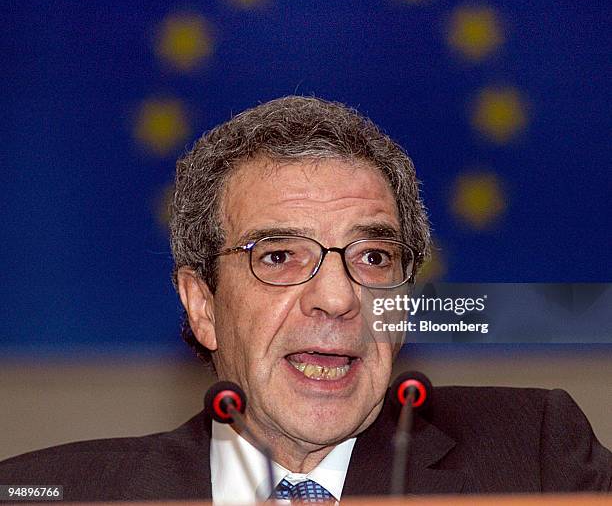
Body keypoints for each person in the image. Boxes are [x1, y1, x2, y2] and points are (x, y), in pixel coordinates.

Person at [0, 96, 610, 502]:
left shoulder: (534, 456)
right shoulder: (51, 492)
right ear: (203, 305)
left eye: (374, 258)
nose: (338, 299)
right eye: (278, 257)